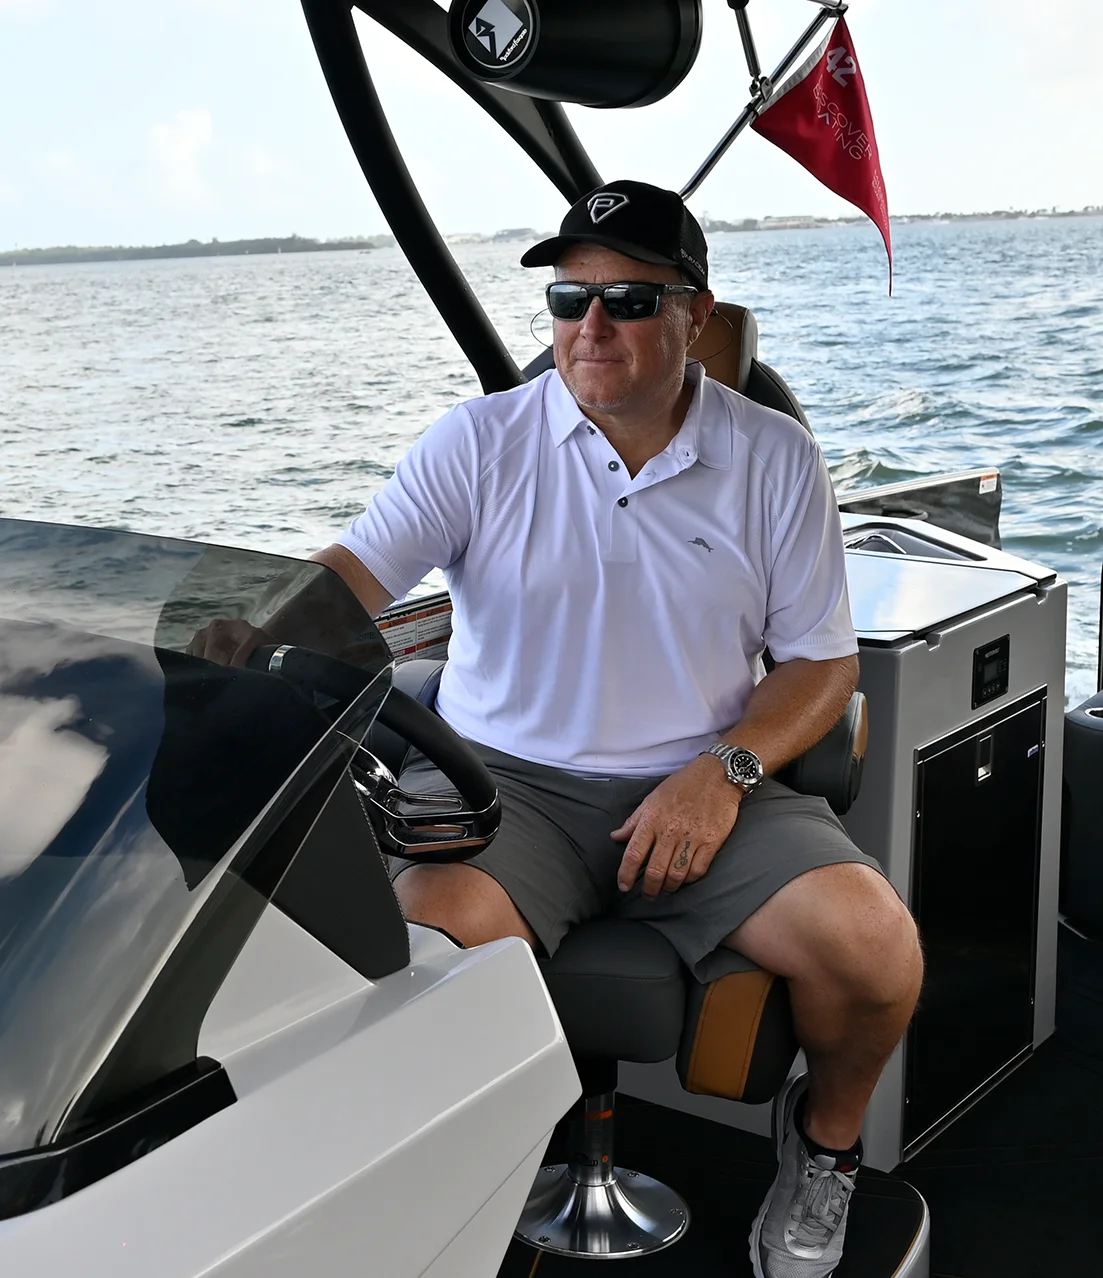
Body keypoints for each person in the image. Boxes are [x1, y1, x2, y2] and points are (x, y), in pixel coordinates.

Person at [191, 178, 923, 1278]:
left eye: (630, 299)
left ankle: (823, 1156)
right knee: (425, 968)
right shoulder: (480, 442)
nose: (592, 326)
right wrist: (252, 639)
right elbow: (355, 577)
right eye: (567, 299)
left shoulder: (773, 457)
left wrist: (721, 773)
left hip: (705, 778)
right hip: (508, 789)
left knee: (877, 956)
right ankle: (453, 1194)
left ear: (697, 315)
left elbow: (822, 664)